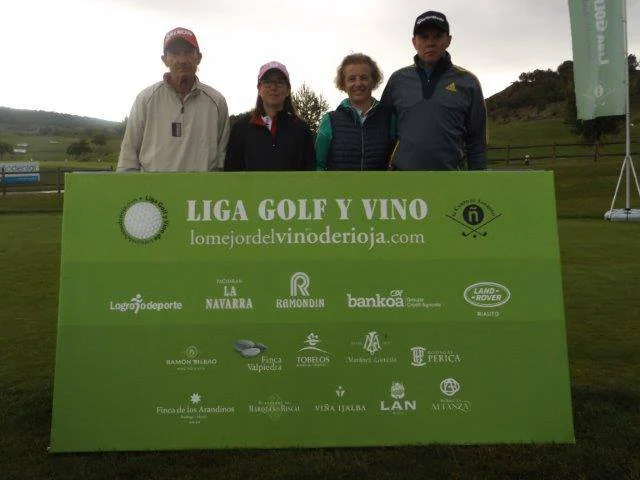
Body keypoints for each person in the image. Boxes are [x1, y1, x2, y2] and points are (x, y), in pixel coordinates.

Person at [381, 11, 487, 171]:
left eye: (437, 36)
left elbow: (477, 139)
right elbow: (382, 131)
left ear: (449, 40)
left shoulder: (468, 82)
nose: (430, 43)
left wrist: (477, 179)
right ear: (414, 42)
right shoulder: (397, 80)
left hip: (451, 182)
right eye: (424, 37)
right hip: (402, 182)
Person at [117, 27, 230, 172]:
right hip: (154, 192)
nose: (182, 60)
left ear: (199, 57)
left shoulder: (216, 101)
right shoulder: (145, 99)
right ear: (165, 59)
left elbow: (222, 158)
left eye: (188, 52)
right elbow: (128, 156)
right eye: (175, 53)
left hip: (200, 192)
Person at [224, 61, 314, 171]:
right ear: (259, 88)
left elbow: (309, 170)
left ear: (288, 90)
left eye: (279, 82)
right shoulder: (241, 128)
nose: (273, 87)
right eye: (267, 82)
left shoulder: (301, 129)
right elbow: (231, 171)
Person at [315, 53, 395, 171]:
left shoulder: (389, 118)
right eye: (352, 79)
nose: (358, 84)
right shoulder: (329, 120)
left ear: (373, 81)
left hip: (379, 189)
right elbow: (318, 164)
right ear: (343, 84)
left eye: (364, 78)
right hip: (339, 189)